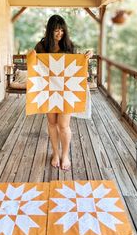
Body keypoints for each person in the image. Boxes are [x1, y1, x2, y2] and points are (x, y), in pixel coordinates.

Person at [34, 14, 93, 170]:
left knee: (63, 125)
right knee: (52, 124)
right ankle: (55, 153)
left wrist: (88, 56)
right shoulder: (41, 47)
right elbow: (35, 68)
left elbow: (77, 65)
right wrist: (31, 57)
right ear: (49, 31)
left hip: (66, 91)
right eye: (55, 30)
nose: (59, 33)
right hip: (47, 89)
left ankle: (65, 154)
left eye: (61, 30)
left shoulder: (69, 46)